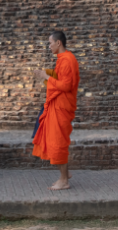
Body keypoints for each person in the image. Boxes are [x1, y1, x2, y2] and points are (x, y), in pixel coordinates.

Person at [32, 31, 80, 190]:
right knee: (53, 140)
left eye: (50, 43)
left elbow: (66, 86)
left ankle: (64, 180)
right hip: (57, 105)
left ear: (58, 43)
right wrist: (50, 74)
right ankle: (64, 175)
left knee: (57, 142)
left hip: (61, 107)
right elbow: (61, 80)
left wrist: (46, 77)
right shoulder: (63, 59)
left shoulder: (67, 60)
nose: (49, 46)